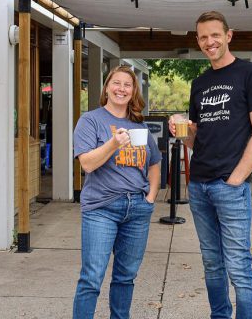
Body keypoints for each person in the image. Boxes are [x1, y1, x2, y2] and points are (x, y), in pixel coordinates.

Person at [169, 11, 252, 319]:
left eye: (215, 35)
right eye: (203, 37)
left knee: (239, 265)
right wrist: (180, 130)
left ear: (229, 35)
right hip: (199, 185)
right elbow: (195, 140)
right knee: (212, 263)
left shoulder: (250, 74)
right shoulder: (199, 83)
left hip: (230, 186)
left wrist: (236, 179)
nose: (209, 42)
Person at [73, 65, 161, 319]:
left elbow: (154, 162)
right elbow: (87, 163)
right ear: (107, 87)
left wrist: (151, 197)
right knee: (91, 278)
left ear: (133, 91)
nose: (121, 89)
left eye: (127, 85)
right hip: (102, 209)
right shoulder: (90, 120)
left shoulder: (140, 127)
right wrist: (113, 143)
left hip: (137, 210)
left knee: (125, 277)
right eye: (117, 83)